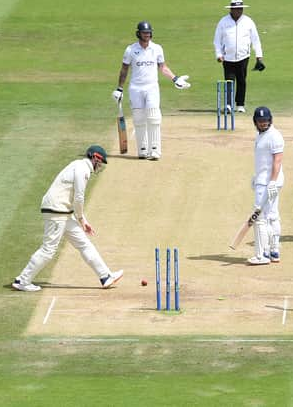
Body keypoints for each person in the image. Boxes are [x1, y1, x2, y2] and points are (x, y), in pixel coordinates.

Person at [12, 145, 124, 292]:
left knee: (84, 243)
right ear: (95, 158)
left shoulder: (78, 165)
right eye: (100, 162)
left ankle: (105, 276)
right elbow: (79, 197)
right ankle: (23, 281)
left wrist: (82, 219)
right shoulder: (82, 169)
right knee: (48, 249)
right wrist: (81, 219)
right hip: (56, 211)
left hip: (62, 211)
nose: (100, 166)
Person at [112, 21, 191, 160]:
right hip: (136, 88)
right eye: (144, 33)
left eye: (149, 33)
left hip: (152, 87)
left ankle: (155, 150)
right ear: (138, 34)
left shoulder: (157, 49)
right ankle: (142, 150)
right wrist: (119, 88)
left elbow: (163, 67)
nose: (147, 35)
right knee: (139, 118)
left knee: (154, 116)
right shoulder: (131, 50)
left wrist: (175, 79)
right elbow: (124, 69)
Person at [213, 0, 264, 114]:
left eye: (240, 9)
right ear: (231, 9)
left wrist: (259, 56)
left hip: (243, 56)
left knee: (242, 80)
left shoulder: (248, 21)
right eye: (236, 9)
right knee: (229, 81)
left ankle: (240, 104)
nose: (238, 11)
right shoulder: (223, 22)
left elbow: (255, 40)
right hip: (228, 57)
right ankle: (228, 105)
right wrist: (218, 54)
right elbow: (217, 40)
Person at [248, 106, 284, 265]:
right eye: (260, 121)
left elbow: (277, 160)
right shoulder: (260, 135)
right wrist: (256, 177)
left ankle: (261, 255)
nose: (263, 123)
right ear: (255, 122)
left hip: (268, 183)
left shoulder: (274, 136)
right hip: (263, 180)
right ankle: (274, 251)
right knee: (272, 215)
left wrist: (272, 181)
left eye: (266, 120)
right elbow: (263, 161)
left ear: (270, 120)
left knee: (259, 218)